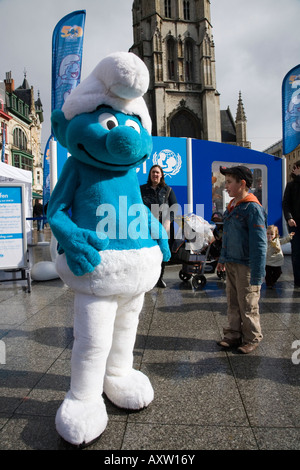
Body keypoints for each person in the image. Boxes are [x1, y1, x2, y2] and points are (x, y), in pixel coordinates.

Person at [216, 165, 267, 354]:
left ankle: (252, 337)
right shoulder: (233, 205)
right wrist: (223, 258)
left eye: (229, 182)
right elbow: (227, 236)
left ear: (242, 183)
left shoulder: (252, 208)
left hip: (247, 265)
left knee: (248, 303)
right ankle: (233, 334)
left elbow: (260, 244)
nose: (226, 186)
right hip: (232, 261)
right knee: (233, 301)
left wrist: (258, 274)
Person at [140, 164, 177, 287]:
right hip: (146, 226)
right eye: (153, 172)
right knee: (146, 253)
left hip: (163, 226)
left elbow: (174, 206)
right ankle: (146, 279)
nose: (155, 175)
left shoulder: (168, 190)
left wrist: (168, 221)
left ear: (161, 175)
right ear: (150, 175)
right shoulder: (142, 189)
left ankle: (159, 278)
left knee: (161, 252)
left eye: (157, 172)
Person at [282, 161, 300, 288]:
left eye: (295, 168)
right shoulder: (291, 185)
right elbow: (286, 203)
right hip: (295, 224)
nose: (293, 170)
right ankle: (298, 281)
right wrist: (289, 218)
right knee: (297, 252)